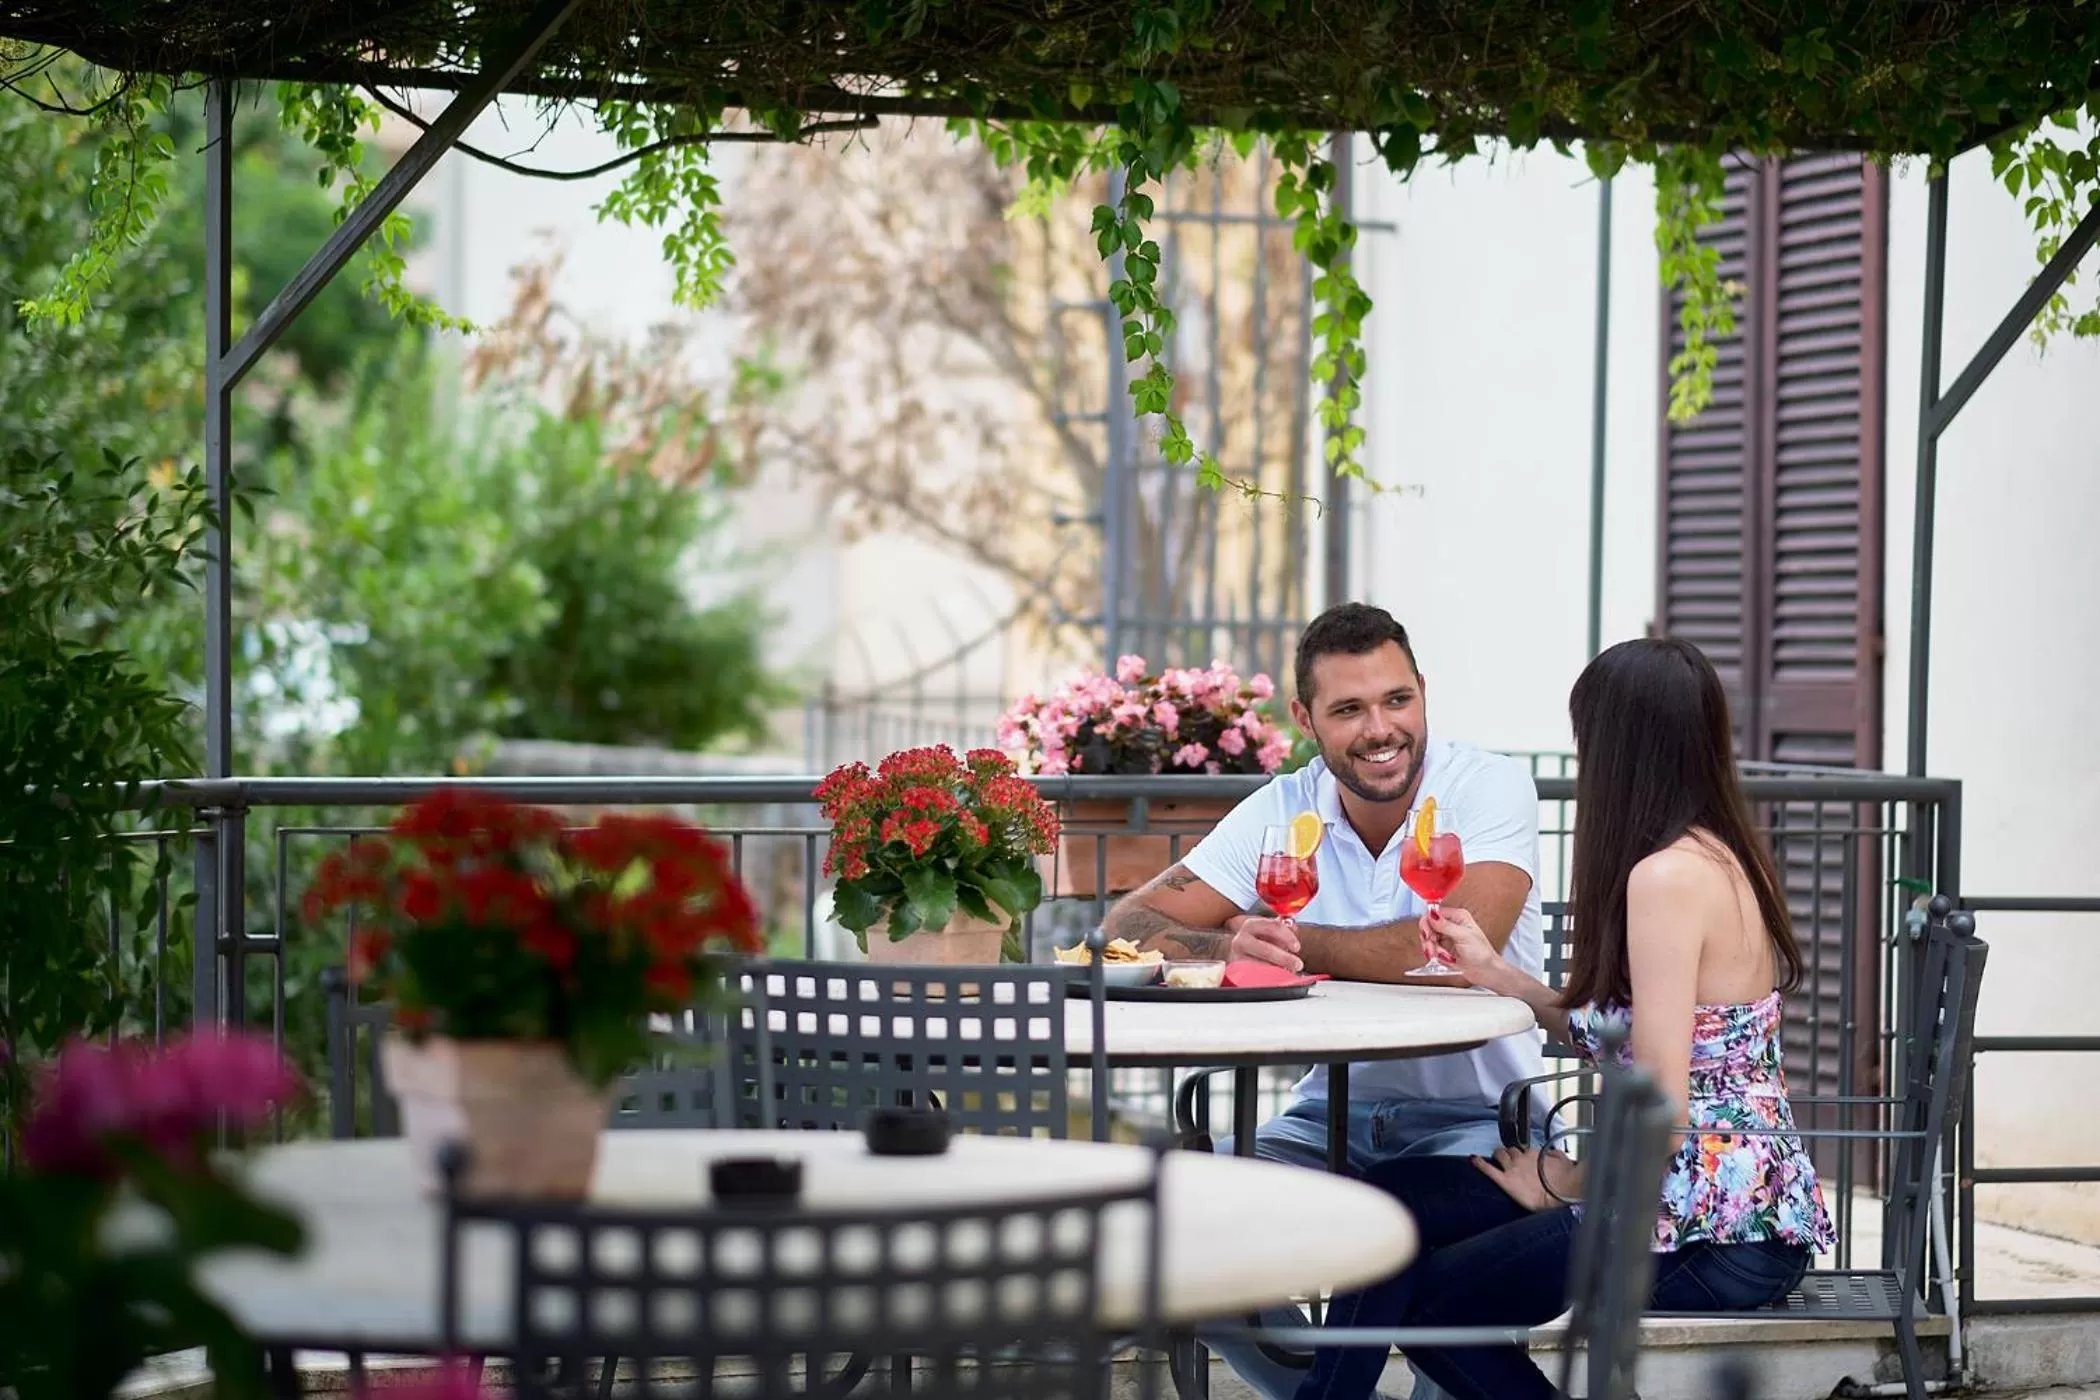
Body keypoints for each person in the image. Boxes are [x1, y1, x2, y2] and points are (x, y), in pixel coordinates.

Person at [1295, 637, 1837, 1400]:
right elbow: (1644, 1039)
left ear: (1617, 747)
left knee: (1433, 1301)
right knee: (1389, 1201)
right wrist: (1497, 973)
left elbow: (1664, 1103)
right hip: (1716, 1212)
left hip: (1710, 1236)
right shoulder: (1715, 854)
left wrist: (1566, 1182)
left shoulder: (1666, 878)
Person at [1098, 602, 1548, 1400]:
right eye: (1349, 710)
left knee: (1419, 1255)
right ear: (1305, 718)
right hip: (1326, 1121)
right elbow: (1125, 927)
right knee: (1173, 1201)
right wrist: (1223, 944)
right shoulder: (1284, 808)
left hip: (1485, 1124)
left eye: (1396, 700)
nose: (1381, 729)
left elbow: (1451, 942)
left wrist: (1294, 942)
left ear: (1423, 692)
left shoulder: (1484, 785)